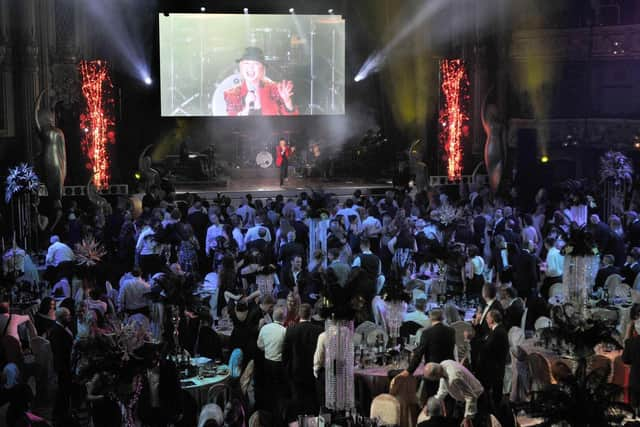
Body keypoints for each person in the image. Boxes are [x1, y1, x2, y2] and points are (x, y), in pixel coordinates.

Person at [224, 47, 299, 116]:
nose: (250, 67)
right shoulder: (232, 95)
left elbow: (290, 122)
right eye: (246, 63)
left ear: (262, 69)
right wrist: (246, 108)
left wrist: (287, 101)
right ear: (241, 68)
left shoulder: (275, 89)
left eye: (255, 64)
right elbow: (232, 124)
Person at [401, 309, 455, 402]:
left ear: (430, 319)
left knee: (433, 398)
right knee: (447, 398)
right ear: (442, 318)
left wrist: (409, 371)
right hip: (448, 369)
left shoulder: (427, 333)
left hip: (433, 371)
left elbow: (419, 354)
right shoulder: (451, 331)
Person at [282, 303, 323, 418]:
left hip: (296, 372)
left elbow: (285, 354)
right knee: (313, 404)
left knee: (298, 405)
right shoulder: (319, 330)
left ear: (299, 315)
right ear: (311, 314)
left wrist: (288, 371)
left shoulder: (290, 330)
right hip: (313, 372)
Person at [423, 361, 485, 426]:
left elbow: (471, 396)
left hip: (476, 401)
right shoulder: (442, 366)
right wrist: (430, 405)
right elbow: (442, 390)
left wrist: (467, 417)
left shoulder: (454, 377)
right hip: (464, 401)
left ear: (436, 376)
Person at [475, 310, 509, 412]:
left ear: (492, 320)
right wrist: (477, 326)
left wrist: (472, 340)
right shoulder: (496, 330)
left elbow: (486, 348)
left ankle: (495, 413)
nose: (486, 319)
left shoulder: (498, 332)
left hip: (494, 369)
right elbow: (485, 339)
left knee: (495, 395)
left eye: (487, 318)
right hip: (494, 367)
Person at [49, 307, 74, 425]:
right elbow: (59, 352)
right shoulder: (57, 331)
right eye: (68, 316)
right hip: (63, 366)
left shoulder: (62, 328)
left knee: (65, 391)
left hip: (66, 364)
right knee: (63, 391)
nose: (70, 317)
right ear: (62, 317)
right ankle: (59, 415)